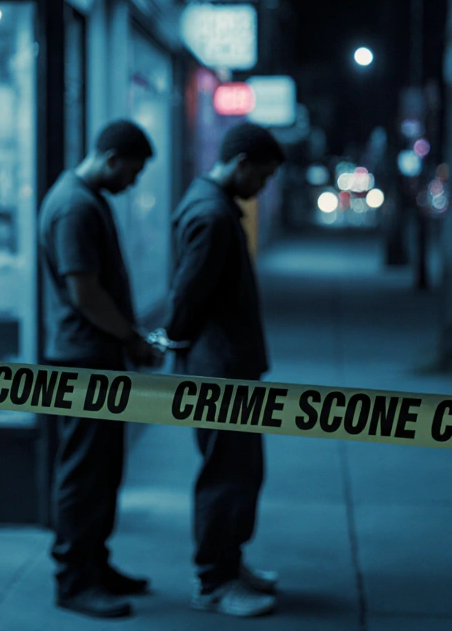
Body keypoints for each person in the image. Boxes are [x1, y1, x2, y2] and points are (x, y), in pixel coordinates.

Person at [38, 120, 162, 618]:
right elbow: (85, 293)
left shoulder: (87, 200)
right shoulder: (75, 206)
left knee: (102, 470)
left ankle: (94, 563)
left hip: (93, 357)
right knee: (84, 473)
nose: (133, 182)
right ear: (112, 159)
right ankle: (74, 579)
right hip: (82, 361)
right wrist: (131, 338)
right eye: (133, 171)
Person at [165, 122, 286, 618]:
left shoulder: (213, 207)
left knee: (240, 471)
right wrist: (175, 339)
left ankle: (228, 566)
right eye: (263, 176)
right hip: (220, 371)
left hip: (226, 365)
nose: (264, 186)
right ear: (240, 164)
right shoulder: (212, 216)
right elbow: (187, 296)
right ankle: (215, 581)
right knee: (226, 475)